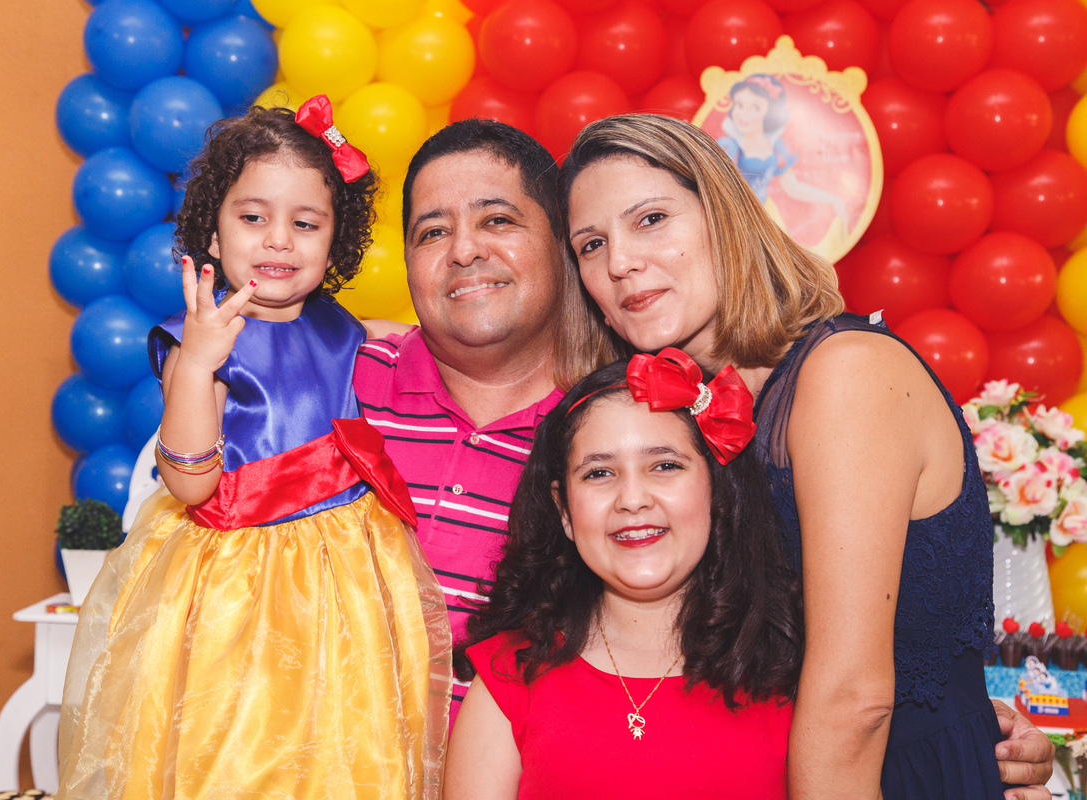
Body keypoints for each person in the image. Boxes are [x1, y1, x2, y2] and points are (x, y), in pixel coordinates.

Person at [557, 112, 1054, 799]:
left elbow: (854, 699)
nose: (619, 262)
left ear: (724, 218)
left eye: (651, 220)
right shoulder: (689, 415)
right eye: (591, 244)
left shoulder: (846, 372)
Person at [56, 100, 451, 800]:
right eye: (253, 217)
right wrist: (198, 363)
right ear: (213, 230)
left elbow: (412, 347)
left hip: (347, 581)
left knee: (342, 747)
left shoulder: (343, 328)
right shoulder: (199, 339)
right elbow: (189, 483)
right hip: (238, 586)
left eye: (305, 224)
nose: (278, 241)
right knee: (237, 748)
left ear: (335, 240)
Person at [444, 352, 802, 798]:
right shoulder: (510, 676)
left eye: (665, 465)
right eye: (599, 473)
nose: (632, 499)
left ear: (717, 489)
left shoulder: (796, 674)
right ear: (564, 511)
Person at [352, 119, 607, 717]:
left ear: (562, 242)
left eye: (497, 220)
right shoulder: (340, 382)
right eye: (433, 232)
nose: (464, 251)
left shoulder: (615, 431)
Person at [717, 74, 848, 249]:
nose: (743, 114)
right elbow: (716, 187)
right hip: (736, 216)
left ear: (769, 114)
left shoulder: (778, 148)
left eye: (755, 107)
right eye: (739, 105)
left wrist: (832, 199)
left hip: (765, 215)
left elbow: (793, 188)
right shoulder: (729, 146)